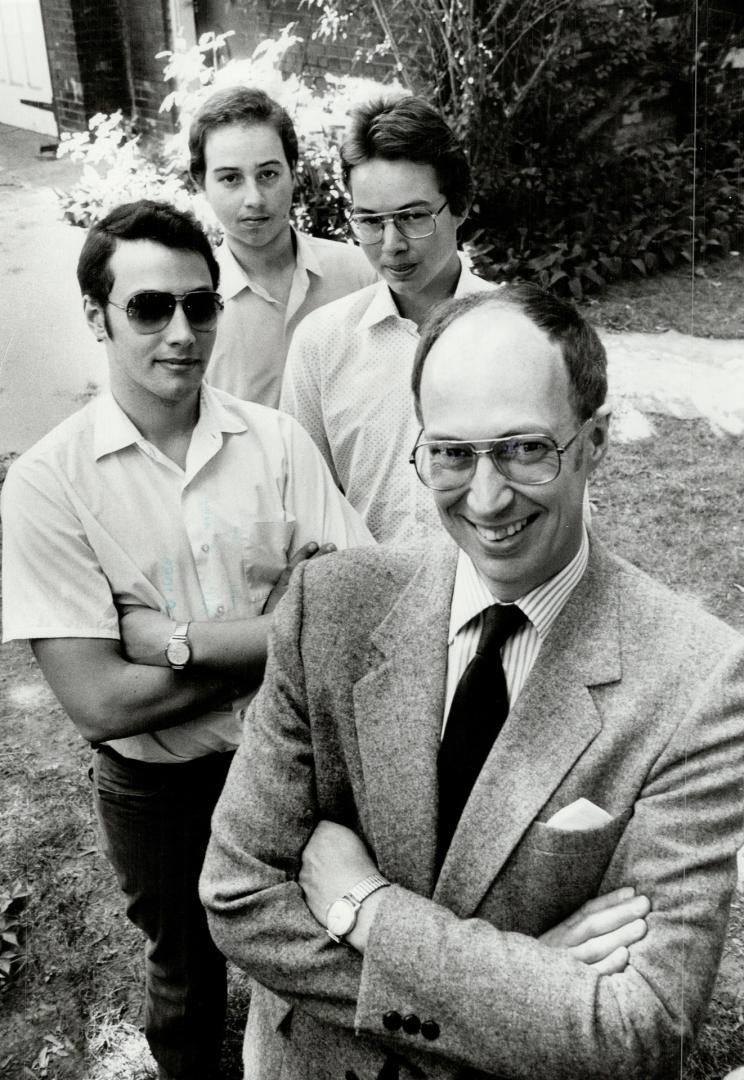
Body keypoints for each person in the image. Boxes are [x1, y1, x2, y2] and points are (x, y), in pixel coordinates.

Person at [201, 285, 744, 1080]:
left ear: (594, 443)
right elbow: (241, 896)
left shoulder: (698, 681)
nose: (486, 500)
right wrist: (520, 985)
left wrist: (368, 910)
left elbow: (641, 1027)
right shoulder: (330, 611)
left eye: (526, 449)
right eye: (452, 454)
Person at [0, 199, 373, 1080]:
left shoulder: (277, 444)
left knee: (334, 945)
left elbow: (354, 616)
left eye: (201, 305)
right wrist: (279, 630)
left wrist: (180, 643)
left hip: (291, 759)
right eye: (149, 307)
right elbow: (99, 702)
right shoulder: (48, 488)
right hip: (157, 785)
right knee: (183, 971)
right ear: (96, 316)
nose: (183, 331)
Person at [280, 93, 497, 544]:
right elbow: (304, 500)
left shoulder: (519, 333)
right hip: (367, 600)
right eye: (370, 221)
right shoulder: (322, 343)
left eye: (414, 216)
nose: (391, 243)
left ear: (459, 205)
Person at [189, 86, 376, 406]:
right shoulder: (191, 306)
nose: (254, 199)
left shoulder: (362, 278)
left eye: (268, 174)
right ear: (200, 182)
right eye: (230, 179)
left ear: (293, 169)